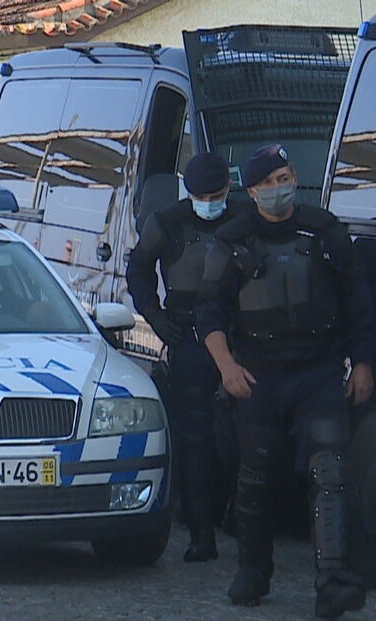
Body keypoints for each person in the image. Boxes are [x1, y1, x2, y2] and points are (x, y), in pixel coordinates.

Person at [196, 145, 373, 617]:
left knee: (331, 472)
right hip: (259, 375)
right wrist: (227, 368)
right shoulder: (231, 240)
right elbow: (208, 313)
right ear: (251, 190)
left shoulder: (325, 230)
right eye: (269, 181)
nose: (280, 188)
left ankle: (334, 580)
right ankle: (253, 569)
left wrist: (363, 363)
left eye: (285, 176)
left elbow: (358, 300)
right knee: (255, 477)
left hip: (318, 370)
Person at [128, 152, 241, 563]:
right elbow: (138, 270)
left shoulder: (243, 217)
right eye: (202, 195)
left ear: (228, 190)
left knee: (246, 434)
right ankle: (200, 532)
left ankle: (239, 517)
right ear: (188, 192)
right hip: (188, 336)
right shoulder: (168, 222)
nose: (210, 201)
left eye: (217, 194)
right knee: (193, 438)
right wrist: (156, 317)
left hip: (239, 337)